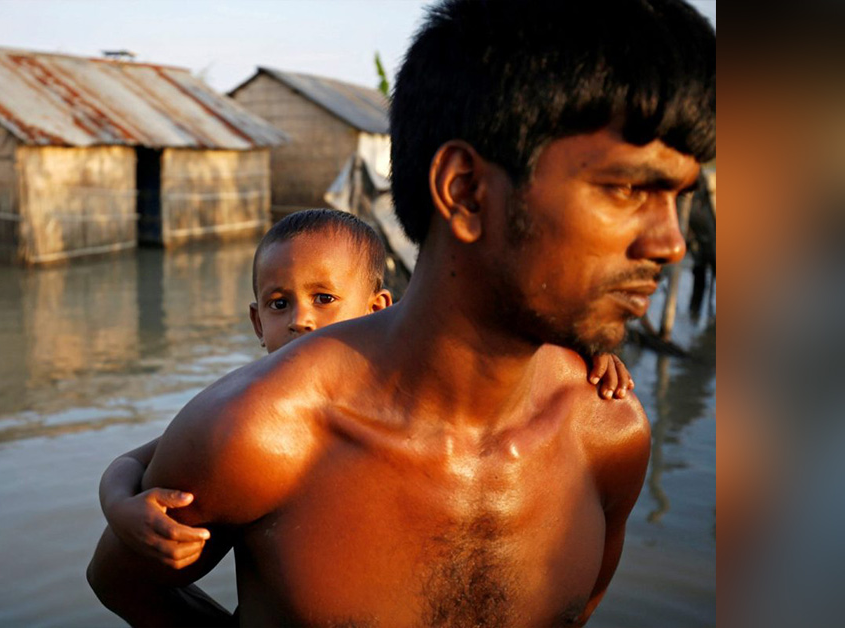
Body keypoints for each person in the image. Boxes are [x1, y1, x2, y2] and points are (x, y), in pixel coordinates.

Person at [88, 0, 715, 623]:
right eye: (628, 189)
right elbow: (124, 582)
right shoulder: (262, 434)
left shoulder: (609, 435)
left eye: (676, 197)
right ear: (465, 191)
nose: (671, 243)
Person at [98, 209, 632, 572]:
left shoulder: (402, 391)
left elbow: (486, 350)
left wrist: (587, 348)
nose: (302, 319)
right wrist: (117, 505)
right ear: (258, 324)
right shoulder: (252, 411)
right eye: (280, 305)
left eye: (325, 297)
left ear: (378, 309)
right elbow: (134, 459)